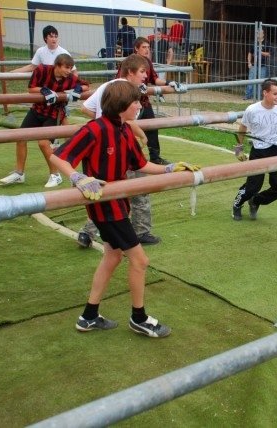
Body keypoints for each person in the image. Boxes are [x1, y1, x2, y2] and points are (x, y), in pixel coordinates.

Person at [50, 80, 200, 338]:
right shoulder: (94, 129)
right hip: (104, 206)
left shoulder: (125, 130)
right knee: (140, 260)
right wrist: (77, 177)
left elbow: (140, 164)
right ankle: (139, 318)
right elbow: (59, 156)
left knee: (113, 256)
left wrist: (170, 167)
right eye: (135, 102)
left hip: (119, 202)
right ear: (121, 105)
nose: (140, 106)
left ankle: (88, 316)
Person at [77, 54, 161, 247]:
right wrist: (141, 135)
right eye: (142, 72)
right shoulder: (124, 91)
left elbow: (85, 108)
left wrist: (101, 122)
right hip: (119, 146)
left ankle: (88, 233)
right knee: (133, 189)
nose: (145, 76)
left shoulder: (109, 86)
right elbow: (124, 120)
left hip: (108, 146)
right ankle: (139, 231)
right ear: (130, 72)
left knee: (106, 190)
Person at [0, 53, 88, 188]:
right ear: (57, 65)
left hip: (54, 114)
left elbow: (86, 85)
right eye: (66, 67)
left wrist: (78, 89)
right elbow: (31, 88)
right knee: (20, 137)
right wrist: (44, 90)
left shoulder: (69, 78)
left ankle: (55, 175)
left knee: (43, 143)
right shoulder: (41, 70)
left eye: (71, 68)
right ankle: (19, 173)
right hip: (37, 110)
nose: (69, 71)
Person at [232, 79, 277, 221]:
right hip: (259, 151)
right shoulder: (252, 110)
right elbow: (243, 128)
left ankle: (255, 201)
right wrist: (239, 149)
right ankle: (237, 203)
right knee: (252, 188)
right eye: (275, 94)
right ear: (265, 93)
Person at [120, 37, 187, 165]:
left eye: (148, 47)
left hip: (144, 102)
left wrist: (169, 82)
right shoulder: (128, 63)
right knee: (127, 129)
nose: (147, 50)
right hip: (130, 102)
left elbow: (154, 79)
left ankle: (155, 157)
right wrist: (134, 87)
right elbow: (120, 81)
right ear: (136, 49)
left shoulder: (147, 62)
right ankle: (127, 159)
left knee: (152, 127)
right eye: (143, 47)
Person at [244, 29, 271, 100]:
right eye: (257, 33)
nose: (258, 34)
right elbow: (250, 53)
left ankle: (258, 96)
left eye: (260, 33)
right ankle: (248, 95)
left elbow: (268, 54)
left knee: (261, 81)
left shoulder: (267, 43)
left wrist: (260, 52)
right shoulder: (254, 43)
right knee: (251, 80)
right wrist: (249, 62)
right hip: (254, 65)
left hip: (263, 65)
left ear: (263, 34)